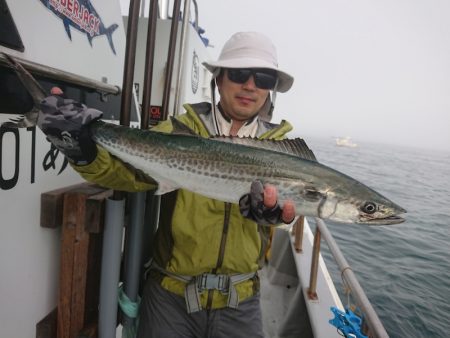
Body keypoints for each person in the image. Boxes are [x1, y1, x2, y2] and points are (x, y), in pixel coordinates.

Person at [39, 31, 297, 337]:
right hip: (171, 297)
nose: (250, 85)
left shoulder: (281, 150)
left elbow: (289, 210)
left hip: (241, 300)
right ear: (219, 79)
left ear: (271, 90)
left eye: (264, 78)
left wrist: (276, 219)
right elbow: (124, 173)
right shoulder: (179, 131)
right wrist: (81, 152)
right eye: (239, 73)